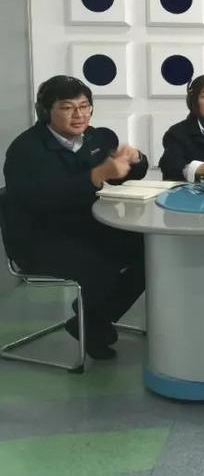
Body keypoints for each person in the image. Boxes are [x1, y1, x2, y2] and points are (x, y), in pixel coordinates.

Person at [2, 76, 147, 360]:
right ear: (45, 112)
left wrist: (136, 159)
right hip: (39, 239)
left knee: (148, 250)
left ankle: (90, 321)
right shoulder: (25, 149)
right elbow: (45, 198)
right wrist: (97, 174)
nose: (79, 115)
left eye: (84, 106)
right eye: (67, 107)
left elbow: (116, 175)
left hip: (85, 228)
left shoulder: (94, 138)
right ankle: (93, 323)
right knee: (101, 266)